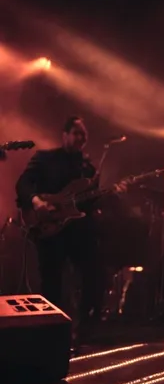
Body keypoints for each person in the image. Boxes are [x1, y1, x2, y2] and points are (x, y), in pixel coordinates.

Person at [15, 116, 106, 344]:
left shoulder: (88, 168)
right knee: (52, 281)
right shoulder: (45, 158)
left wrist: (112, 193)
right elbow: (23, 183)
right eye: (76, 132)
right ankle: (50, 334)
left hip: (78, 230)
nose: (81, 137)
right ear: (64, 135)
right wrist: (36, 201)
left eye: (84, 134)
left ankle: (84, 330)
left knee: (94, 275)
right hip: (49, 227)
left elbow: (90, 202)